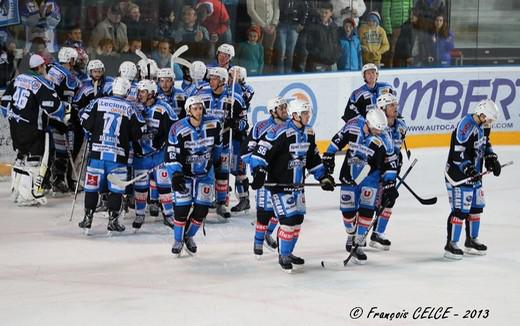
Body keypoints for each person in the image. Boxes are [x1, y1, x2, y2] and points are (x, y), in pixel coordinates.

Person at [249, 99, 335, 273]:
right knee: (288, 221)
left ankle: (288, 251)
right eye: (304, 113)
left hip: (297, 186)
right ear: (295, 115)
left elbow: (312, 158)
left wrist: (323, 176)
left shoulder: (309, 132)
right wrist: (258, 170)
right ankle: (283, 255)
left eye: (308, 113)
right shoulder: (279, 131)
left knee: (297, 220)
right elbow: (261, 151)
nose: (307, 116)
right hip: (279, 186)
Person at [321, 108, 398, 264]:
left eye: (381, 129)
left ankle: (358, 243)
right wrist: (329, 155)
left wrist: (390, 183)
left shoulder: (385, 138)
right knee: (348, 212)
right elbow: (337, 140)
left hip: (371, 178)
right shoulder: (353, 125)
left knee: (367, 210)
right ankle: (351, 235)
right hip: (350, 175)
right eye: (376, 128)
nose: (379, 132)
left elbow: (391, 163)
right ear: (368, 124)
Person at [78, 77, 145, 234]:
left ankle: (87, 219)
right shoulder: (130, 108)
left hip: (97, 155)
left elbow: (84, 121)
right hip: (118, 157)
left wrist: (92, 132)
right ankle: (113, 221)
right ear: (127, 91)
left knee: (92, 188)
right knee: (116, 190)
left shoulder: (98, 102)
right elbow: (139, 132)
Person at [1, 54, 67, 206]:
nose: (45, 68)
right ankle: (29, 195)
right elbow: (53, 106)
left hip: (16, 126)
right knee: (34, 159)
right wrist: (64, 111)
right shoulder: (41, 83)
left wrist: (11, 117)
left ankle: (16, 190)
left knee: (20, 157)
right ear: (40, 67)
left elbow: (4, 102)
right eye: (44, 66)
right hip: (33, 127)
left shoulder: (18, 79)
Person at [443, 99, 502, 260]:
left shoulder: (483, 125)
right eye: (489, 119)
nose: (490, 123)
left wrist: (491, 157)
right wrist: (468, 168)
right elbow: (458, 153)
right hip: (458, 175)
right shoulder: (466, 126)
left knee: (476, 208)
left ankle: (471, 240)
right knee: (460, 210)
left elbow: (485, 143)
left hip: (475, 175)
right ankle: (451, 244)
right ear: (482, 114)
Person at [165, 95, 223, 256]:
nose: (198, 111)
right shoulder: (177, 128)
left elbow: (218, 146)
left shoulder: (214, 123)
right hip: (184, 174)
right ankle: (177, 239)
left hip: (205, 174)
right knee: (181, 210)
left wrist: (216, 162)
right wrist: (176, 173)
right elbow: (171, 153)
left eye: (200, 108)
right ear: (188, 111)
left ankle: (188, 236)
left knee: (201, 210)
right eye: (195, 108)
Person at [195, 67, 247, 219]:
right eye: (210, 78)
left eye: (214, 79)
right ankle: (202, 202)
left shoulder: (234, 98)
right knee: (201, 172)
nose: (211, 81)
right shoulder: (201, 96)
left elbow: (245, 123)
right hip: (204, 144)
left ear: (223, 81)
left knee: (222, 173)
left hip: (224, 143)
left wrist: (235, 124)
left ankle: (221, 203)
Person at [243, 96, 289, 258]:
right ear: (272, 111)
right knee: (264, 212)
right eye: (281, 108)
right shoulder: (260, 127)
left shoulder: (291, 126)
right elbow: (247, 152)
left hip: (284, 175)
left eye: (285, 107)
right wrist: (257, 171)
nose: (285, 110)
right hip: (265, 176)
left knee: (281, 211)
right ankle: (258, 241)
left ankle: (267, 233)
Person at [132, 79, 178, 230]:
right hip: (141, 155)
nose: (139, 95)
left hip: (159, 155)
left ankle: (169, 214)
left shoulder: (164, 108)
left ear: (151, 93)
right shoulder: (134, 106)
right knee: (141, 187)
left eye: (143, 92)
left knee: (164, 185)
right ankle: (139, 213)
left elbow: (174, 130)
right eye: (139, 91)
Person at [369, 93, 407, 250]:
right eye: (391, 105)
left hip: (391, 169)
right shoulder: (376, 126)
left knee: (389, 201)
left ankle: (378, 234)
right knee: (370, 203)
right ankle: (358, 235)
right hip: (375, 170)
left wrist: (398, 162)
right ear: (383, 109)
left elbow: (398, 146)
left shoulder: (402, 125)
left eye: (395, 105)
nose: (395, 108)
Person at [47, 47, 81, 194]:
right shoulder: (69, 76)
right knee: (61, 148)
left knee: (47, 149)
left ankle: (47, 180)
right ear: (71, 60)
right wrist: (66, 119)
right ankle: (57, 179)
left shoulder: (49, 67)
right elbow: (67, 101)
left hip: (42, 114)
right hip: (56, 115)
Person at [304, 2, 340, 72]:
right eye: (322, 12)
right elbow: (309, 45)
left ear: (331, 13)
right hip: (317, 63)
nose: (323, 15)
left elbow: (338, 44)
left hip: (332, 63)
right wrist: (320, 56)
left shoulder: (335, 27)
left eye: (326, 12)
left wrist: (335, 57)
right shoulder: (313, 26)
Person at [275, 0, 309, 74]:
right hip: (282, 25)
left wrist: (302, 24)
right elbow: (277, 8)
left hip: (294, 26)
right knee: (281, 51)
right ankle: (279, 74)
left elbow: (306, 12)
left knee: (290, 52)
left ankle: (288, 73)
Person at [246, 0, 280, 70]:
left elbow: (277, 9)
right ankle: (254, 70)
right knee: (255, 51)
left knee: (269, 51)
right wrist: (264, 25)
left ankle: (266, 72)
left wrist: (274, 24)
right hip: (256, 26)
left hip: (271, 27)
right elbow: (250, 10)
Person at [381, 0, 413, 68]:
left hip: (406, 28)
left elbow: (411, 10)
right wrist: (389, 30)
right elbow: (385, 12)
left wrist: (409, 26)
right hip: (393, 28)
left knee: (403, 53)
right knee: (392, 53)